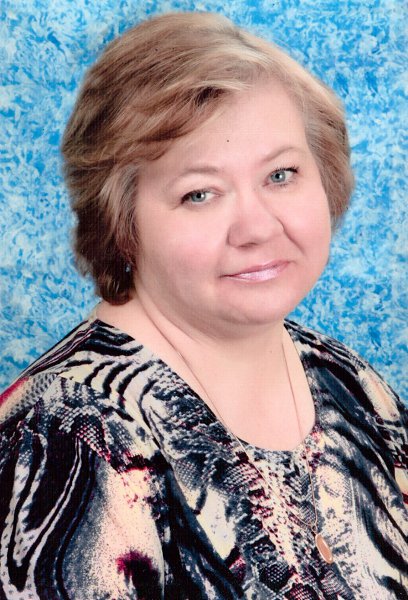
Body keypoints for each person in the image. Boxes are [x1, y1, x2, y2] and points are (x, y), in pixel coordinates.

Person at [0, 11, 406, 600]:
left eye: (281, 174)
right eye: (199, 193)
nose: (257, 227)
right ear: (121, 221)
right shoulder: (71, 435)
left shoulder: (352, 385)